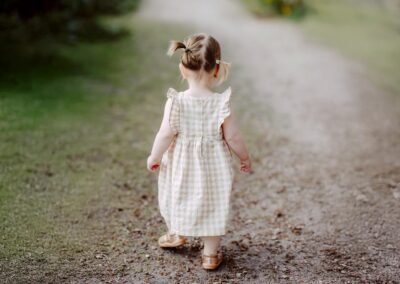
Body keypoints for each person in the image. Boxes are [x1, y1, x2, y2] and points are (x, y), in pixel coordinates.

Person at [147, 33, 251, 270]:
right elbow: (233, 136)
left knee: (178, 195)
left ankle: (176, 232)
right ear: (216, 69)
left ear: (183, 69)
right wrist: (244, 157)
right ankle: (210, 255)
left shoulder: (176, 101)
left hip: (181, 164)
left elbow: (165, 133)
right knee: (213, 204)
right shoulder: (222, 102)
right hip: (214, 166)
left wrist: (154, 157)